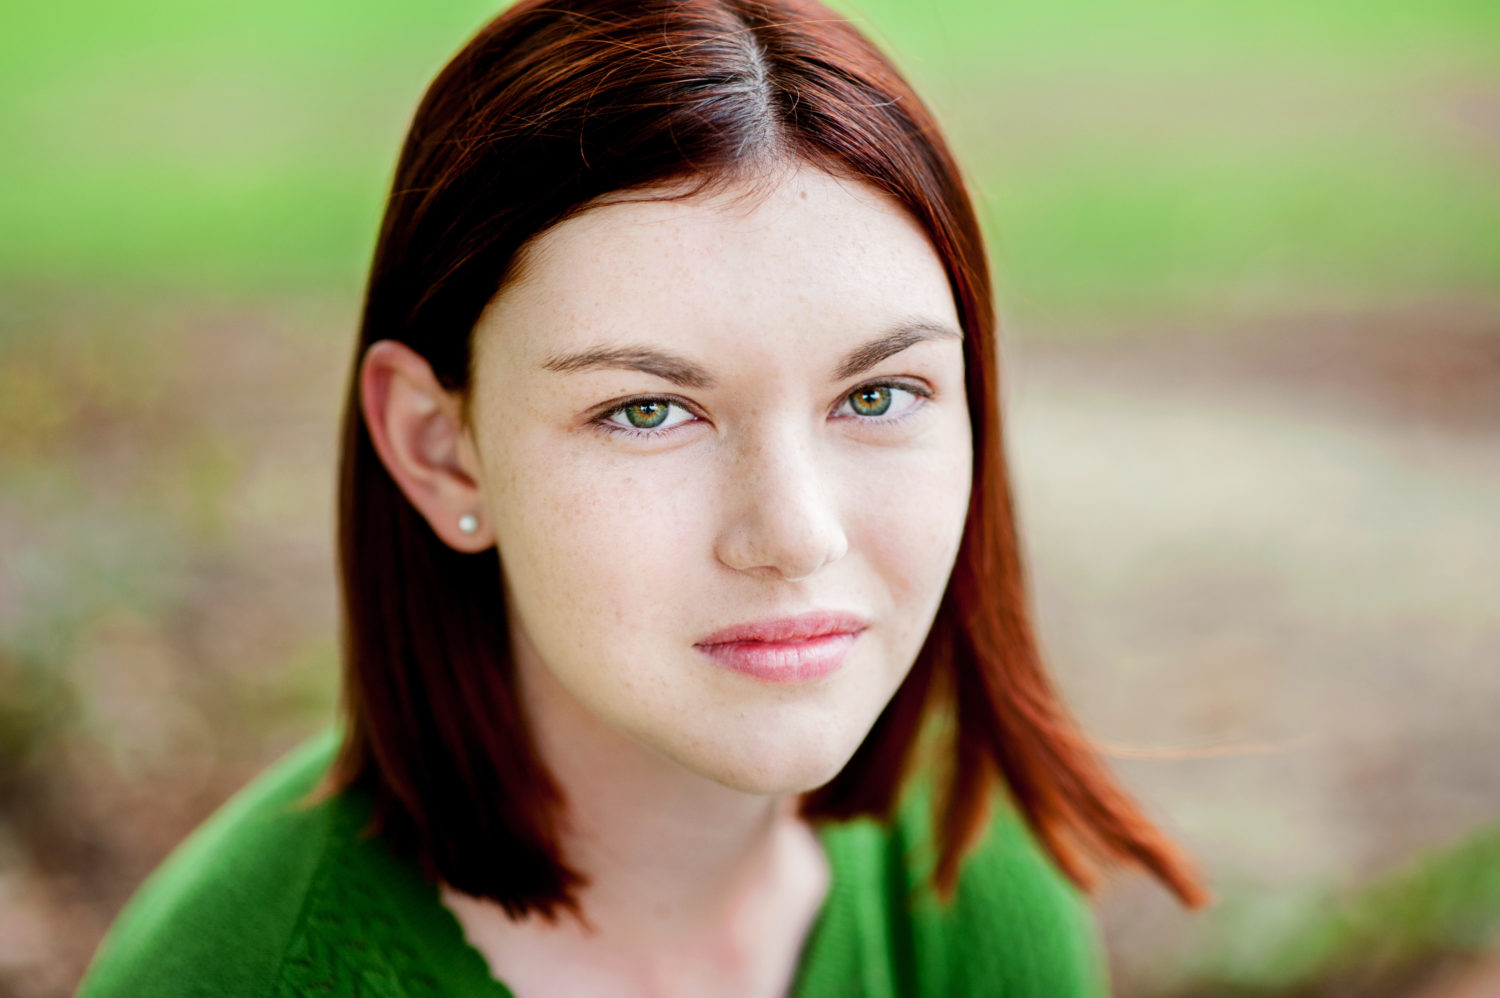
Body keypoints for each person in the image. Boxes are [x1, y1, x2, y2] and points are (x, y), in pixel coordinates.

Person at [75, 0, 1207, 994]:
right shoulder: (238, 975)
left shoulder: (970, 893)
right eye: (648, 410)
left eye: (879, 393)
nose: (796, 533)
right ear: (441, 449)